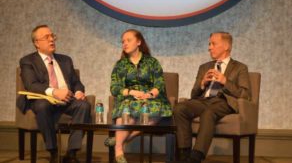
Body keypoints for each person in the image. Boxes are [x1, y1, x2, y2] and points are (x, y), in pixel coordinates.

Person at [17, 25, 91, 163]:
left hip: (67, 99)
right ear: (36, 43)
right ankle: (53, 151)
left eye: (52, 36)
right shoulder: (27, 61)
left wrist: (79, 91)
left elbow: (76, 82)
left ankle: (72, 153)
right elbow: (31, 85)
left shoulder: (65, 60)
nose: (52, 39)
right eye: (46, 37)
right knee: (42, 106)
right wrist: (54, 92)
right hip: (44, 99)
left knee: (84, 106)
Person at [174, 32, 251, 163]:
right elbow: (194, 95)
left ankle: (196, 157)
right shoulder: (204, 67)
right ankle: (184, 155)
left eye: (213, 44)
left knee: (208, 113)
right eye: (209, 44)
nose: (209, 47)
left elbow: (245, 94)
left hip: (223, 102)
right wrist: (202, 83)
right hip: (203, 100)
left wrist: (225, 81)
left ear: (226, 46)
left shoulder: (240, 68)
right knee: (179, 108)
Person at [107, 29, 172, 163]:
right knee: (127, 108)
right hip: (129, 98)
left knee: (155, 109)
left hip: (150, 99)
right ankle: (119, 149)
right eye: (123, 41)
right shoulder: (120, 65)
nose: (125, 43)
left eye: (128, 40)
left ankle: (123, 138)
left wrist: (149, 94)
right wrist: (130, 92)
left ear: (139, 42)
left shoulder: (152, 62)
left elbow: (159, 83)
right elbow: (114, 88)